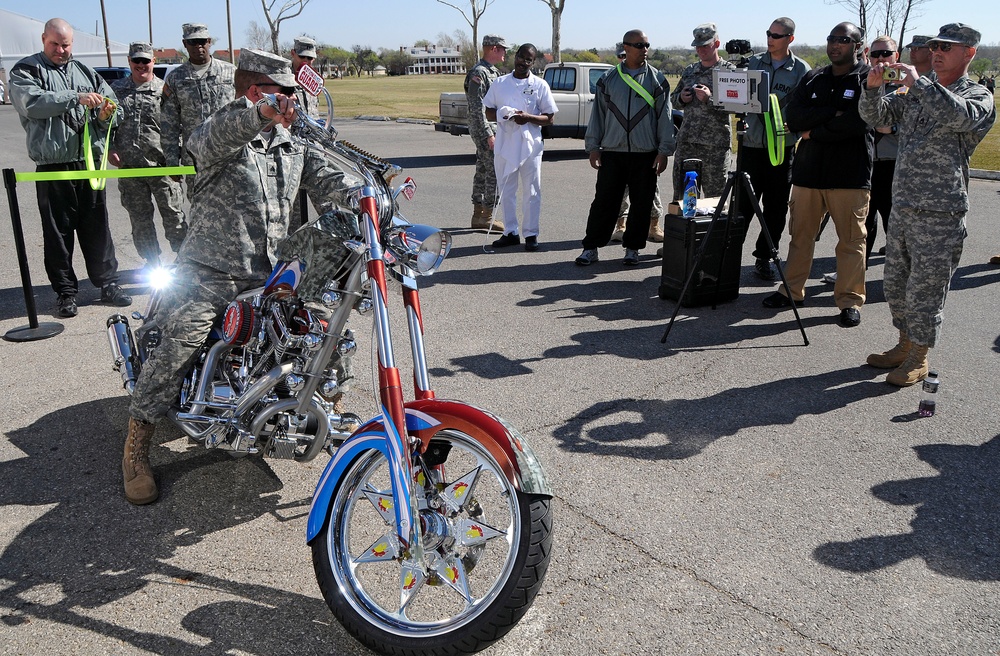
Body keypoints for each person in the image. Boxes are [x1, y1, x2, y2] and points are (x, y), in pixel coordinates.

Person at [121, 50, 362, 505]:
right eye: (286, 92)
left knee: (329, 333)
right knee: (181, 344)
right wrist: (261, 114)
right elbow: (208, 142)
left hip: (274, 277)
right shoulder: (220, 132)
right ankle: (137, 443)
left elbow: (328, 180)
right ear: (257, 92)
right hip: (212, 273)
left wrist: (365, 196)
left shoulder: (292, 142)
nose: (296, 100)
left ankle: (331, 417)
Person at [859, 23, 996, 386]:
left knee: (926, 291)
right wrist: (872, 90)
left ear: (969, 53)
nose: (937, 52)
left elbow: (960, 117)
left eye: (947, 47)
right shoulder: (918, 92)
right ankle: (904, 344)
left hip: (941, 211)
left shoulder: (977, 95)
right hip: (903, 205)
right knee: (895, 284)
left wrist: (920, 83)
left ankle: (919, 356)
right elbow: (878, 117)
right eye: (935, 45)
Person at [9, 17, 132, 318]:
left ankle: (108, 284)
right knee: (58, 234)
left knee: (98, 229)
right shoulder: (27, 69)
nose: (61, 50)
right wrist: (74, 98)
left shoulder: (86, 72)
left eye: (65, 45)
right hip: (54, 167)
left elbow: (115, 108)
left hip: (88, 164)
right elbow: (32, 103)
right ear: (43, 39)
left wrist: (106, 112)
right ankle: (66, 292)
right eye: (55, 44)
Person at [762, 22, 873, 329]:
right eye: (832, 39)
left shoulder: (867, 78)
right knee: (800, 237)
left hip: (849, 175)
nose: (835, 44)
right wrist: (830, 114)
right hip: (808, 173)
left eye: (844, 40)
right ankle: (792, 291)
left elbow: (858, 121)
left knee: (851, 241)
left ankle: (849, 301)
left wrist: (814, 130)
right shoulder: (813, 77)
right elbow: (793, 115)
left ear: (858, 46)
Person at [575, 29, 674, 267]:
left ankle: (633, 248)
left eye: (646, 45)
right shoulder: (608, 79)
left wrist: (663, 150)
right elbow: (598, 115)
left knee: (642, 203)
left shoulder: (657, 79)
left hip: (645, 154)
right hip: (612, 151)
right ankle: (591, 247)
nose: (645, 49)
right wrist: (593, 147)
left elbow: (665, 117)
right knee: (604, 202)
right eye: (639, 45)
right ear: (626, 47)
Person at [735, 17, 810, 281]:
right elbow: (736, 95)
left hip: (781, 149)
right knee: (741, 206)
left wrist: (798, 128)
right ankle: (729, 258)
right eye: (768, 34)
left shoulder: (801, 70)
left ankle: (764, 256)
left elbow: (807, 107)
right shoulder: (753, 63)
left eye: (777, 35)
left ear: (790, 38)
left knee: (776, 208)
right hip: (752, 146)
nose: (771, 39)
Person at [109, 42, 188, 269]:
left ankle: (184, 262)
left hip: (162, 166)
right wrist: (111, 150)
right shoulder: (116, 90)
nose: (141, 65)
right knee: (140, 220)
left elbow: (178, 126)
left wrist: (176, 160)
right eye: (137, 61)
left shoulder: (165, 90)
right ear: (129, 62)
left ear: (154, 61)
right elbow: (106, 126)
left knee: (174, 217)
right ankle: (151, 262)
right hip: (130, 169)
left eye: (146, 61)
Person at [483, 44, 557, 252]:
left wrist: (528, 118)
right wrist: (505, 114)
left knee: (532, 191)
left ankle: (531, 234)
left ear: (533, 63)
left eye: (529, 59)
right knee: (507, 190)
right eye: (521, 57)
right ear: (515, 57)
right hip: (505, 144)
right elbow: (489, 111)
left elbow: (549, 118)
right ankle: (510, 232)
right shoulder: (500, 83)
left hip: (530, 147)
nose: (523, 62)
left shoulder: (540, 85)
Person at [670, 23, 736, 203]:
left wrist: (710, 99)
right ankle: (685, 232)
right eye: (698, 46)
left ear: (717, 44)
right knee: (684, 198)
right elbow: (673, 99)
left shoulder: (729, 72)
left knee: (714, 200)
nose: (701, 50)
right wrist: (682, 98)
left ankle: (713, 232)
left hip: (714, 146)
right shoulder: (690, 70)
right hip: (687, 143)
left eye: (705, 45)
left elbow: (737, 106)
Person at [161, 23, 236, 171]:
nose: (198, 46)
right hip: (194, 159)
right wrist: (171, 161)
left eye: (202, 41)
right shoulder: (175, 78)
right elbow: (169, 123)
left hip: (228, 156)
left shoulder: (231, 72)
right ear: (184, 44)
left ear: (209, 42)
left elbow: (244, 112)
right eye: (192, 42)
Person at [862, 36, 901, 263]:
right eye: (876, 54)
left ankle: (896, 273)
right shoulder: (863, 80)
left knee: (892, 221)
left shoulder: (908, 85)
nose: (881, 59)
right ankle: (856, 272)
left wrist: (893, 128)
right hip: (865, 161)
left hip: (892, 162)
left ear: (896, 55)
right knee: (863, 221)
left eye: (886, 53)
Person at [465, 34, 508, 232]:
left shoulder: (492, 72)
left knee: (482, 170)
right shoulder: (479, 73)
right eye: (502, 49)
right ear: (493, 49)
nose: (505, 52)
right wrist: (488, 133)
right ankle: (487, 215)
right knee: (494, 171)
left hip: (490, 129)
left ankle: (478, 215)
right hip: (485, 130)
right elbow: (477, 107)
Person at [290, 36, 320, 119]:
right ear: (293, 53)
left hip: (312, 129)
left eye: (310, 58)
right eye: (302, 56)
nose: (305, 60)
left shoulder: (315, 79)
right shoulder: (284, 77)